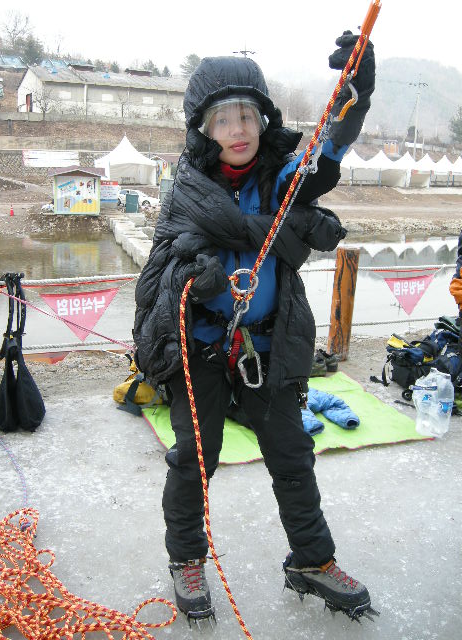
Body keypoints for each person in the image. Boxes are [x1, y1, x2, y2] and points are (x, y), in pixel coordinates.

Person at [134, 32, 376, 624]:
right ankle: (187, 559)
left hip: (267, 344)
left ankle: (312, 560)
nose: (237, 130)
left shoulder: (282, 180)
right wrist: (192, 278)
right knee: (195, 458)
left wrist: (357, 93)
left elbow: (329, 148)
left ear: (264, 121)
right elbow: (158, 272)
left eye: (247, 116)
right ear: (204, 129)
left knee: (292, 454)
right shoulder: (187, 191)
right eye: (223, 119)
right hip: (204, 347)